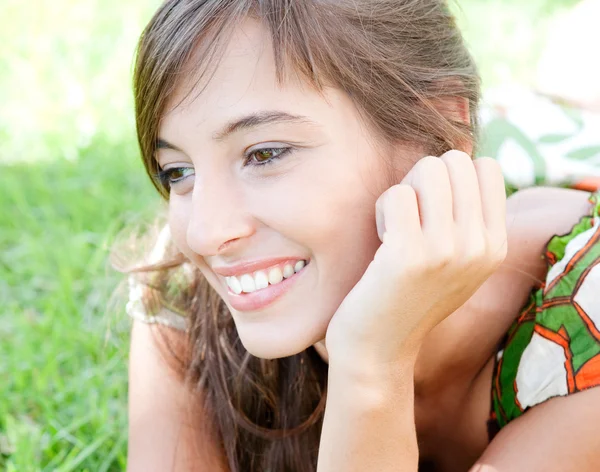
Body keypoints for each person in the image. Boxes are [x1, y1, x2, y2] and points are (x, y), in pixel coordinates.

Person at [122, 1, 600, 470]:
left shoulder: (584, 328)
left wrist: (372, 359)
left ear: (440, 126)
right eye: (177, 172)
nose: (206, 233)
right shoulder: (185, 296)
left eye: (265, 154)